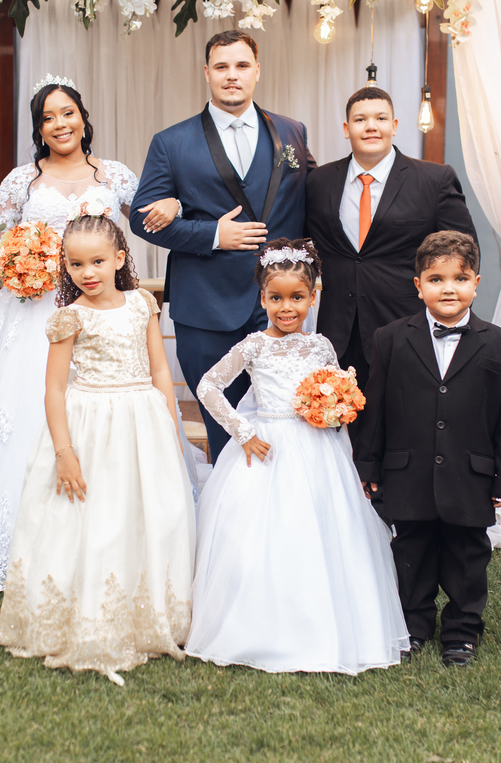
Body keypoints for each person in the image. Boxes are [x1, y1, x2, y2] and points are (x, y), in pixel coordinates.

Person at [0, 76, 179, 592]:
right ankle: (25, 543)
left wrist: (175, 205)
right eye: (48, 118)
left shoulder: (114, 175)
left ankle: (103, 540)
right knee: (31, 413)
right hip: (33, 314)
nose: (59, 124)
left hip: (101, 314)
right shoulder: (21, 182)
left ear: (83, 118)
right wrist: (15, 269)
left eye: (67, 113)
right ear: (38, 129)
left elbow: (152, 221)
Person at [185, 238, 409, 674]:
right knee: (262, 534)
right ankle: (258, 627)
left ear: (312, 297)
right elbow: (208, 386)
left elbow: (333, 390)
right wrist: (243, 431)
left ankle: (327, 625)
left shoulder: (321, 345)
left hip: (318, 447)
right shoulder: (253, 346)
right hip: (268, 445)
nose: (286, 308)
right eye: (276, 298)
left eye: (297, 298)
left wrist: (338, 405)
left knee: (325, 529)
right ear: (262, 298)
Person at [0, 211, 195, 686]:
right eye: (76, 264)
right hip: (90, 424)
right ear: (65, 265)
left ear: (120, 258)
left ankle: (145, 615)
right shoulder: (70, 317)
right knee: (92, 517)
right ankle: (83, 615)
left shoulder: (142, 304)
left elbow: (160, 369)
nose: (87, 272)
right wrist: (64, 452)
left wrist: (169, 426)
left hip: (142, 419)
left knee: (145, 512)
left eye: (97, 261)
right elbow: (53, 389)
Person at [130, 30, 315, 460]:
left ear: (257, 71)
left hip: (279, 307)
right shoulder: (171, 142)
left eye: (242, 65)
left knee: (285, 425)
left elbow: (315, 197)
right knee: (224, 432)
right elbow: (142, 219)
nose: (232, 75)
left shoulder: (292, 132)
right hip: (206, 309)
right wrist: (213, 234)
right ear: (207, 73)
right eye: (222, 67)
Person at [353, 230, 501, 666]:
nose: (449, 288)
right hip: (407, 472)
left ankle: (462, 633)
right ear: (418, 286)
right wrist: (369, 465)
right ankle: (413, 627)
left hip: (470, 476)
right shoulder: (390, 338)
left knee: (468, 558)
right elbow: (377, 408)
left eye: (460, 278)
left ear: (476, 283)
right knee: (411, 553)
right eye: (436, 279)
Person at [305, 86, 478, 391]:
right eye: (360, 120)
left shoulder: (434, 179)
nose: (371, 126)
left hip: (408, 328)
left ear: (394, 126)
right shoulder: (319, 181)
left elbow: (464, 255)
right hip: (338, 333)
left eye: (381, 118)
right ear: (346, 129)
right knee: (344, 420)